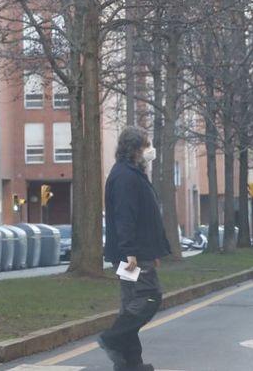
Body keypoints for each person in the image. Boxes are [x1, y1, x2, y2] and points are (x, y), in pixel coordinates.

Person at [99, 126, 171, 371]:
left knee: (131, 301)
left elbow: (146, 216)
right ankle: (113, 338)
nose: (149, 151)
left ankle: (130, 362)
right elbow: (125, 217)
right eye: (145, 146)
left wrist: (155, 251)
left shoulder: (132, 174)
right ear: (134, 150)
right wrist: (130, 252)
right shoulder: (125, 177)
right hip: (132, 256)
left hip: (138, 253)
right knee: (149, 297)